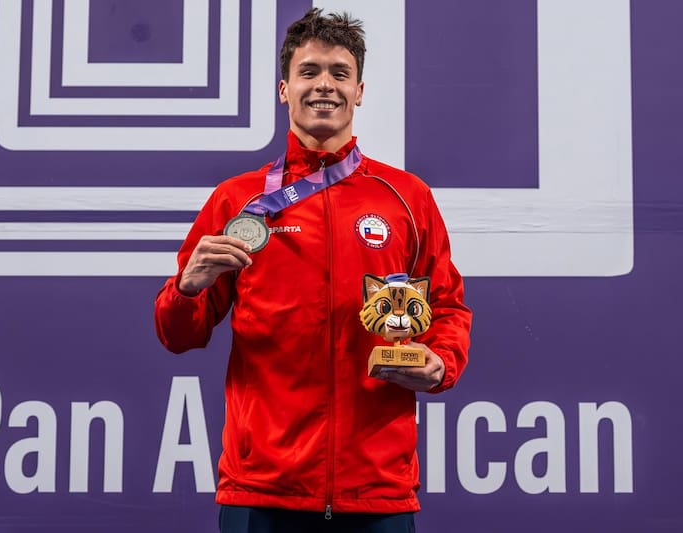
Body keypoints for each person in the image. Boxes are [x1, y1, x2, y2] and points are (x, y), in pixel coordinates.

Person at [154, 8, 471, 533]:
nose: (324, 85)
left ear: (360, 91)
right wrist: (188, 289)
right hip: (263, 488)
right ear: (285, 88)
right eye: (309, 72)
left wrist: (440, 362)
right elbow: (177, 336)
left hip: (376, 491)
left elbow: (447, 306)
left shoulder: (406, 198)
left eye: (339, 73)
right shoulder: (239, 201)